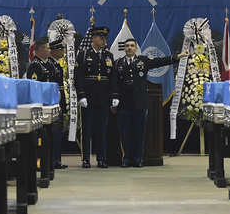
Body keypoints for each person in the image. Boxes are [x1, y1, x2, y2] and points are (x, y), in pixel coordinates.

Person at [111, 39, 187, 168]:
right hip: (123, 104)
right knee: (125, 133)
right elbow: (114, 82)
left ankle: (138, 159)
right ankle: (127, 159)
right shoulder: (118, 63)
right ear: (124, 49)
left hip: (139, 103)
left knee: (139, 133)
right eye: (127, 46)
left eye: (132, 46)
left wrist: (176, 57)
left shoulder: (143, 61)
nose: (129, 48)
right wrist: (114, 98)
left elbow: (159, 62)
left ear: (136, 48)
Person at [75, 26, 114, 169]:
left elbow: (112, 77)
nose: (103, 40)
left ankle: (101, 158)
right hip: (89, 97)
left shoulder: (108, 56)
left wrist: (114, 95)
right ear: (94, 38)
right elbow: (78, 77)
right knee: (87, 129)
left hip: (103, 97)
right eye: (101, 37)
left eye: (105, 38)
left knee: (102, 129)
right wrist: (81, 95)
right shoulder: (84, 55)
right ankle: (86, 159)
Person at [47, 39, 68, 169]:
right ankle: (53, 160)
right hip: (53, 103)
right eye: (61, 49)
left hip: (59, 102)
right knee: (54, 134)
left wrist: (64, 104)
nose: (63, 52)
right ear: (54, 51)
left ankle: (57, 160)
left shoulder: (57, 65)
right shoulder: (49, 65)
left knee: (58, 133)